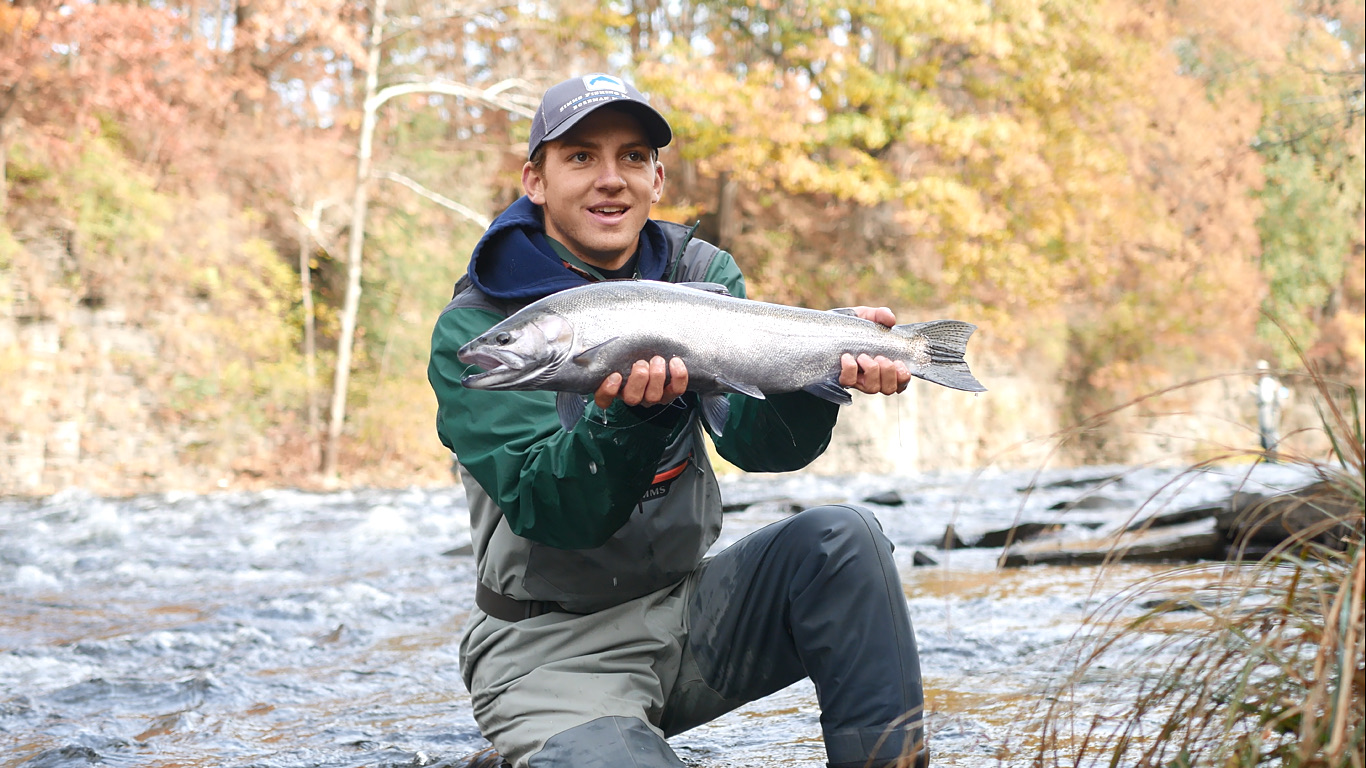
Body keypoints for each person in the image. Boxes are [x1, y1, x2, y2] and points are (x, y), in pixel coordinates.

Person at [428, 72, 929, 768]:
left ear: (657, 179)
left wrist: (816, 379)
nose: (611, 179)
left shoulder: (699, 274)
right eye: (580, 157)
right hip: (550, 654)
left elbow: (760, 446)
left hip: (689, 614)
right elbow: (553, 511)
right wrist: (629, 418)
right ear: (534, 180)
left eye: (632, 157)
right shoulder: (479, 332)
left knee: (844, 542)